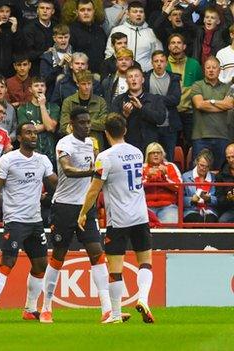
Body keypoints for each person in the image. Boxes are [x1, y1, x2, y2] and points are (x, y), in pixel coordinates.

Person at [40, 107, 119, 323]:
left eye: (88, 122)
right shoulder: (64, 144)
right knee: (58, 255)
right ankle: (46, 306)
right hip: (64, 207)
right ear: (72, 124)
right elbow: (67, 170)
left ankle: (106, 309)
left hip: (85, 207)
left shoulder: (91, 144)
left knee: (96, 252)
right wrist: (93, 172)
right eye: (82, 122)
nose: (87, 126)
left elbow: (97, 168)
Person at [78, 113, 155, 324]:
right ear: (125, 130)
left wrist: (83, 212)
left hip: (119, 219)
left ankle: (114, 314)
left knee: (115, 269)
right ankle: (143, 298)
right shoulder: (138, 153)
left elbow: (94, 190)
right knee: (145, 262)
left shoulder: (105, 157)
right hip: (140, 216)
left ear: (105, 133)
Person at [0, 121, 57, 322]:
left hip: (35, 220)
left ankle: (30, 309)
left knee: (41, 265)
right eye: (28, 133)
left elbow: (55, 183)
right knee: (8, 262)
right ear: (20, 137)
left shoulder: (43, 160)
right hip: (15, 220)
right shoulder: (8, 160)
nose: (33, 136)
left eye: (35, 133)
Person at [190, 56, 234, 170]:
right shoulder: (197, 85)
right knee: (199, 170)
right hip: (200, 137)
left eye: (214, 67)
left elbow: (229, 104)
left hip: (222, 136)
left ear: (219, 70)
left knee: (220, 171)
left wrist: (210, 102)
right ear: (204, 70)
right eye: (208, 67)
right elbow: (199, 104)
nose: (211, 70)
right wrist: (221, 105)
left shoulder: (227, 87)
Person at [111, 66, 166, 153]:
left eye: (136, 76)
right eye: (130, 76)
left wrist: (141, 108)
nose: (133, 79)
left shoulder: (155, 99)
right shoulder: (119, 100)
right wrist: (124, 115)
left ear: (142, 80)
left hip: (149, 147)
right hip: (127, 146)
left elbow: (160, 119)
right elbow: (113, 125)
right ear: (126, 81)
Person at [166, 33, 203, 152]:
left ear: (184, 46)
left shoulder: (194, 64)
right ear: (168, 47)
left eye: (178, 43)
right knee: (172, 145)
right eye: (173, 43)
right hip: (171, 113)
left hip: (190, 113)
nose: (176, 45)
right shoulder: (164, 64)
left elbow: (200, 87)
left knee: (192, 146)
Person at [105, 1, 162, 72]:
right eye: (135, 12)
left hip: (145, 76)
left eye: (141, 12)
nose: (138, 14)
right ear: (127, 14)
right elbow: (109, 54)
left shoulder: (151, 32)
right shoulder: (117, 30)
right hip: (122, 75)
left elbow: (158, 55)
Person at [145, 50, 182, 159]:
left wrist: (155, 98)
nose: (159, 63)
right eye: (156, 61)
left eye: (162, 61)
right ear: (152, 63)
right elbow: (144, 98)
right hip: (150, 125)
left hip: (169, 126)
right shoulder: (145, 78)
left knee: (168, 158)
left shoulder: (174, 78)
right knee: (150, 157)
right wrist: (163, 99)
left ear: (166, 63)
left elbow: (175, 99)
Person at [16, 77, 59, 167]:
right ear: (30, 89)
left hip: (50, 153)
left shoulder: (54, 107)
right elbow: (26, 131)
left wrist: (42, 105)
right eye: (36, 85)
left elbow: (50, 128)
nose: (40, 88)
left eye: (42, 85)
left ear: (45, 88)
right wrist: (47, 125)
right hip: (30, 154)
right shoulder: (22, 109)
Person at [59, 70, 108, 150]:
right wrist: (92, 124)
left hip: (95, 146)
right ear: (77, 84)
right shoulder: (68, 102)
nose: (87, 87)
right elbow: (64, 127)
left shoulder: (100, 101)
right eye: (83, 84)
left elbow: (104, 124)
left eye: (89, 83)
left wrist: (78, 124)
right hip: (74, 146)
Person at [142, 142, 182, 224]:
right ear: (148, 155)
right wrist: (148, 177)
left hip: (168, 206)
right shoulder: (141, 168)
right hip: (146, 206)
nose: (156, 155)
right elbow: (136, 188)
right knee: (143, 229)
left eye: (158, 152)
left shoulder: (171, 166)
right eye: (152, 153)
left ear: (162, 155)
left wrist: (165, 177)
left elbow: (179, 187)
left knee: (170, 228)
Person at [69, 0, 108, 74]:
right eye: (82, 10)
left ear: (94, 11)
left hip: (99, 77)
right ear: (77, 12)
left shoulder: (100, 30)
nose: (86, 13)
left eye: (89, 10)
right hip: (80, 77)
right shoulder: (71, 31)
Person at [21, 0, 57, 75]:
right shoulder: (29, 28)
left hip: (54, 69)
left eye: (48, 8)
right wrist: (45, 53)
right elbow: (28, 53)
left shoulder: (56, 27)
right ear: (37, 10)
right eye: (42, 8)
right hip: (35, 69)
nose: (45, 11)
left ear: (53, 11)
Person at [182, 148, 218, 223]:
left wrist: (209, 199)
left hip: (209, 210)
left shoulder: (214, 178)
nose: (204, 169)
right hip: (191, 210)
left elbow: (218, 199)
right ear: (196, 162)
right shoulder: (185, 177)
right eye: (201, 165)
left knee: (210, 220)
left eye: (207, 166)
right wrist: (191, 200)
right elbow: (179, 199)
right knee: (197, 219)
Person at [40, 24, 72, 93]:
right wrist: (59, 66)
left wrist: (72, 66)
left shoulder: (75, 55)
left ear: (69, 37)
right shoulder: (47, 56)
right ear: (54, 38)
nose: (63, 40)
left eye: (66, 37)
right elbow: (44, 81)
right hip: (53, 93)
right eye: (60, 38)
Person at [216, 143, 234, 222]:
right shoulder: (221, 174)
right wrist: (228, 198)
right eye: (228, 157)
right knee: (222, 221)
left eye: (233, 157)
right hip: (231, 209)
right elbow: (219, 199)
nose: (231, 160)